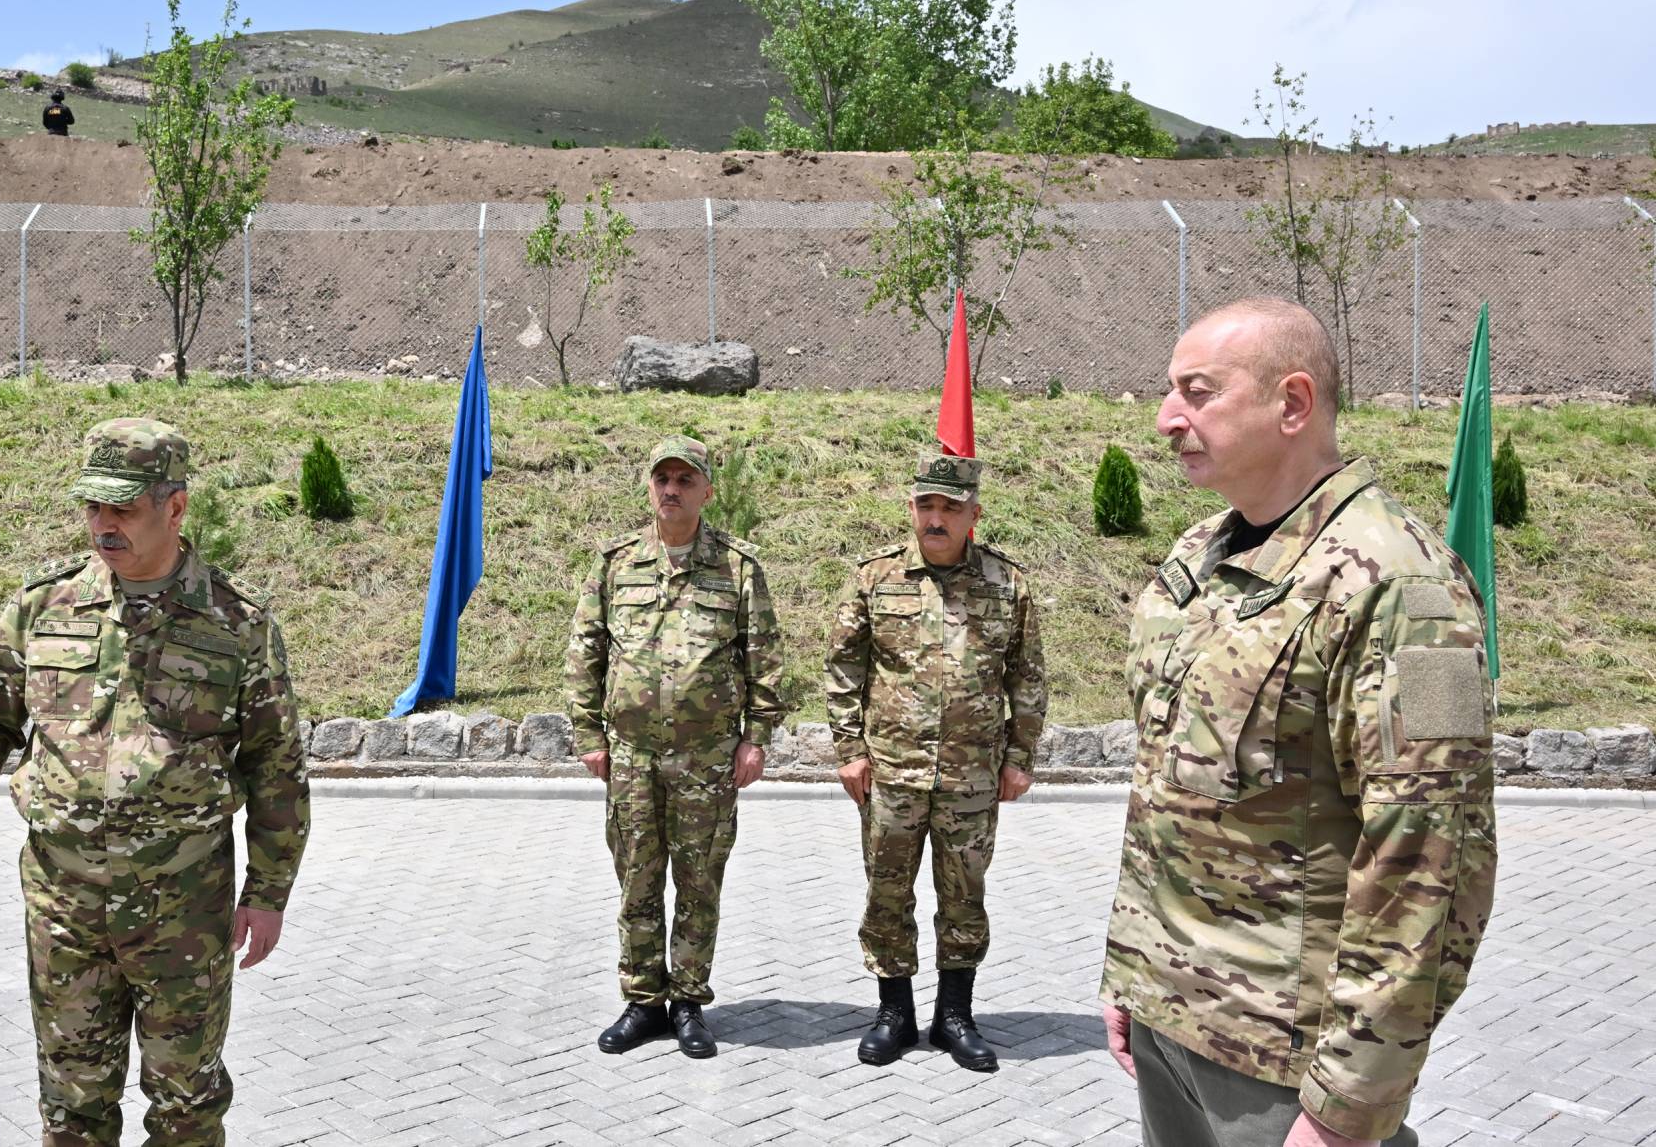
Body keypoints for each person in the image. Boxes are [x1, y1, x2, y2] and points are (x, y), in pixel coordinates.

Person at [1100, 297, 1497, 1147]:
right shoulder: (1201, 556)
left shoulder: (1405, 590)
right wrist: (1135, 971)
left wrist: (1351, 1099)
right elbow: (1164, 791)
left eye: (1197, 392)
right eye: (1171, 392)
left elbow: (1433, 856)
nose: (1166, 418)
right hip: (1173, 1018)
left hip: (1287, 1061)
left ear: (1292, 403)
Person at [0, 417, 309, 1147]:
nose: (102, 525)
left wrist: (267, 893)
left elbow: (275, 765)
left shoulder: (235, 622)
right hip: (64, 907)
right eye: (92, 506)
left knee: (187, 1109)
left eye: (121, 507)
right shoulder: (42, 607)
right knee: (71, 1107)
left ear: (175, 507)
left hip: (183, 910)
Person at [565, 434, 788, 1060]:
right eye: (662, 478)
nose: (671, 489)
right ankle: (643, 1002)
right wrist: (588, 735)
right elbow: (585, 653)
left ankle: (688, 1001)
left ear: (707, 491)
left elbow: (764, 658)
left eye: (685, 480)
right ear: (649, 487)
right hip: (632, 757)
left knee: (698, 882)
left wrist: (756, 739)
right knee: (637, 881)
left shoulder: (738, 568)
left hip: (707, 758)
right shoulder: (615, 564)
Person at [823, 452, 1046, 1072]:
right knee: (886, 893)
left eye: (951, 507)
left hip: (972, 775)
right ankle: (893, 1013)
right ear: (912, 509)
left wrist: (1020, 757)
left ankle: (955, 1017)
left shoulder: (1007, 582)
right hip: (892, 771)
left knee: (964, 896)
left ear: (974, 514)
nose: (936, 518)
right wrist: (849, 750)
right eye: (926, 506)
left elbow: (1027, 676)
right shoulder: (875, 577)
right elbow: (843, 667)